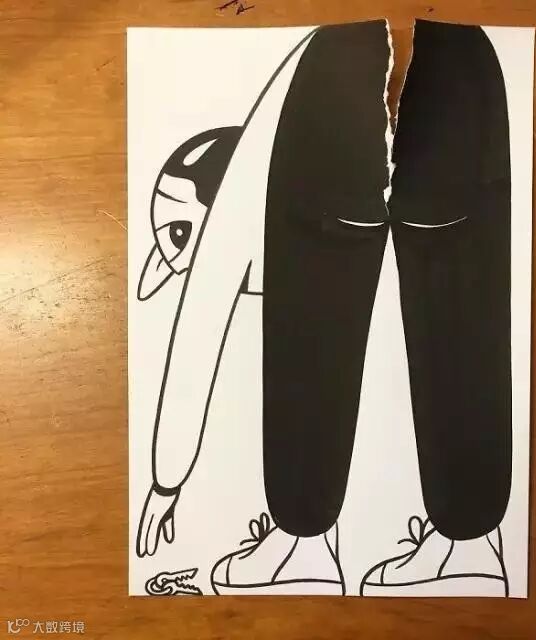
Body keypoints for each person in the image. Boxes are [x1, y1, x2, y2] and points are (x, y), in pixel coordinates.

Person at [136, 20, 512, 597]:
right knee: (464, 292)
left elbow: (205, 303)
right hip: (471, 69)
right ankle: (469, 544)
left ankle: (300, 545)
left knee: (312, 323)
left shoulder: (281, 114)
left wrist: (168, 478)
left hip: (323, 106)